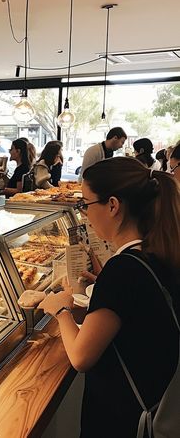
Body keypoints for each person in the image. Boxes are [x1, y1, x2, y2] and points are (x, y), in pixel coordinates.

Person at [38, 157, 180, 438]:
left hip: (123, 420)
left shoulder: (124, 269)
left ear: (113, 205)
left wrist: (60, 310)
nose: (85, 214)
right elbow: (134, 316)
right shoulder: (156, 253)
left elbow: (80, 357)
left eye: (86, 204)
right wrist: (103, 288)